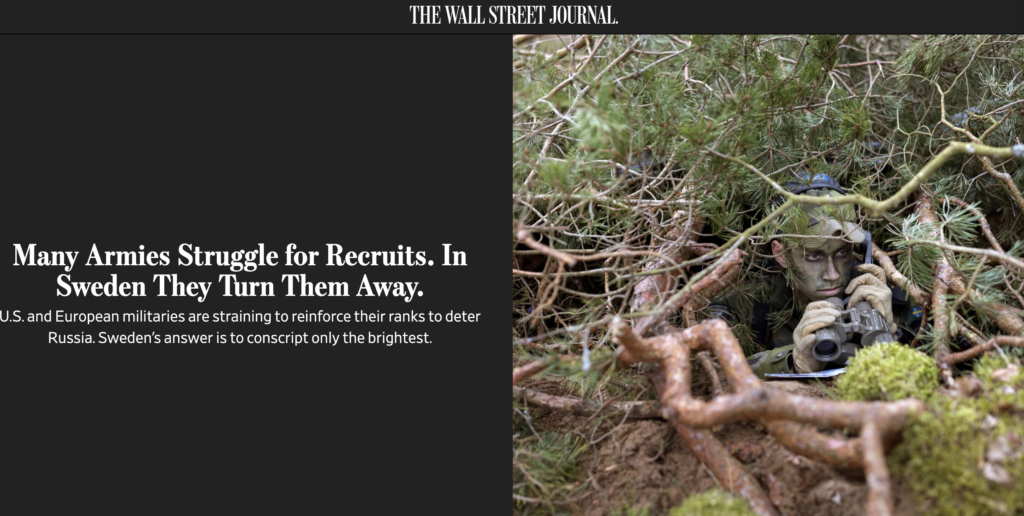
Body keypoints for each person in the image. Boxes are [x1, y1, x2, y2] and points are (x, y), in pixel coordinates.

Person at [706, 174, 924, 378]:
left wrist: (895, 337)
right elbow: (711, 372)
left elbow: (948, 361)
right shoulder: (745, 303)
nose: (833, 273)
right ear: (780, 253)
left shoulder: (887, 292)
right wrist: (794, 363)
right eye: (813, 256)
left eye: (841, 252)